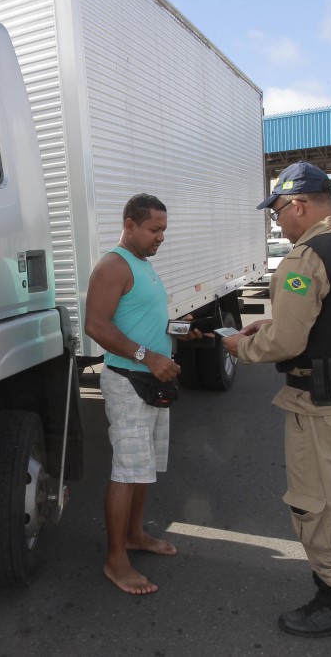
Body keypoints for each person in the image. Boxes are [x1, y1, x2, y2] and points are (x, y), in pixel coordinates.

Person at [223, 161, 331, 637]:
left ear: (299, 204)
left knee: (320, 503)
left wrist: (243, 345)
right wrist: (271, 325)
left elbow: (289, 343)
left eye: (278, 211)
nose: (277, 222)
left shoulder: (305, 256)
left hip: (324, 405)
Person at [84, 192, 199, 595]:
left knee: (143, 468)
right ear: (129, 224)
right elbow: (95, 325)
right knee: (127, 471)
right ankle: (116, 561)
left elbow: (143, 320)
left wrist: (180, 331)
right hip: (129, 382)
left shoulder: (144, 266)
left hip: (152, 382)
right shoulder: (114, 266)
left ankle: (134, 535)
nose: (160, 238)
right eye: (154, 229)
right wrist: (146, 356)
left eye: (163, 230)